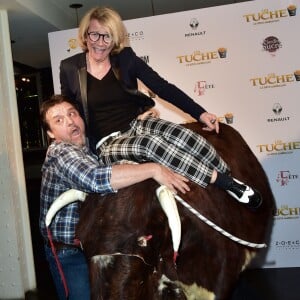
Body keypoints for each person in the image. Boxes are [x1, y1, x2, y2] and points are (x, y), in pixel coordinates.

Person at [59, 6, 262, 210]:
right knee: (151, 145)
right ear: (85, 35)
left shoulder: (126, 58)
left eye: (107, 37)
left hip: (137, 124)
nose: (100, 43)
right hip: (108, 142)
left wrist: (200, 113)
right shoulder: (70, 68)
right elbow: (68, 111)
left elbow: (162, 87)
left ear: (115, 39)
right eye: (94, 34)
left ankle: (224, 177)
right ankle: (227, 184)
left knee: (183, 135)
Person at [39, 95, 190, 300]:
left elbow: (115, 150)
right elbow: (94, 179)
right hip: (69, 254)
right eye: (58, 120)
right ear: (50, 133)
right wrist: (154, 169)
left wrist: (138, 125)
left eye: (72, 113)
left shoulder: (88, 152)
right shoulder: (61, 152)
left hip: (92, 246)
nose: (69, 121)